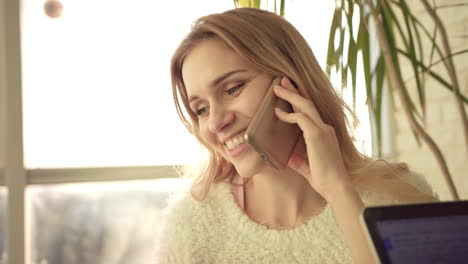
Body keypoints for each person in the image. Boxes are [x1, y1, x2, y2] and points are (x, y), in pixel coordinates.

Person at [155, 7, 437, 264]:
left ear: (290, 81)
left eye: (233, 89)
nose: (216, 122)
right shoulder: (192, 226)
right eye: (201, 109)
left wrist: (339, 191)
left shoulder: (399, 199)